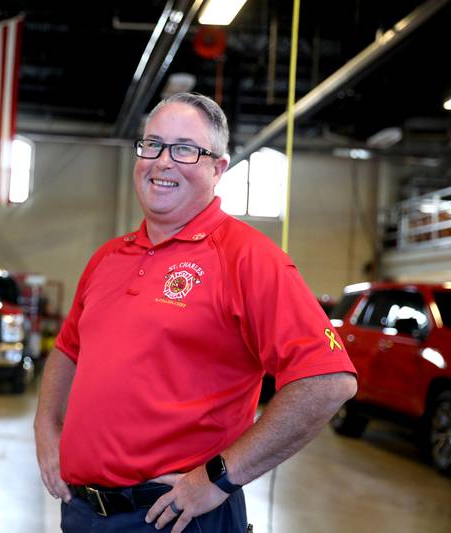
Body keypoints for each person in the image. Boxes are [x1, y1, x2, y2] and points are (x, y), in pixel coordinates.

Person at [34, 92, 358, 533]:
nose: (163, 161)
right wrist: (46, 428)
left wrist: (221, 477)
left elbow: (328, 381)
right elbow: (69, 348)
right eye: (153, 144)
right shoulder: (109, 257)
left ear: (217, 168)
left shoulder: (248, 258)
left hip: (175, 517)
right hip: (83, 510)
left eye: (185, 149)